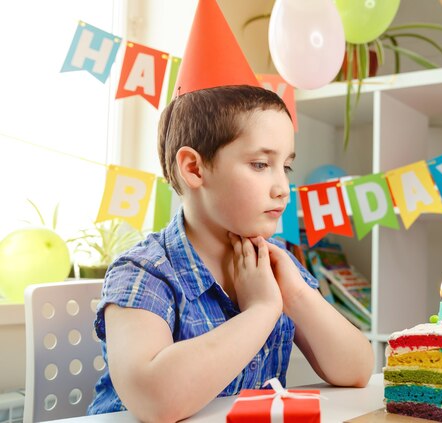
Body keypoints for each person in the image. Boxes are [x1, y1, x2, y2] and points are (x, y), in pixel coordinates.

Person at [87, 85, 374, 422]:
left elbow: (357, 370)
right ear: (194, 168)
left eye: (287, 167)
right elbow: (155, 401)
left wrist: (295, 295)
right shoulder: (144, 272)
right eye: (260, 164)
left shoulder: (276, 262)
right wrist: (262, 309)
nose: (283, 188)